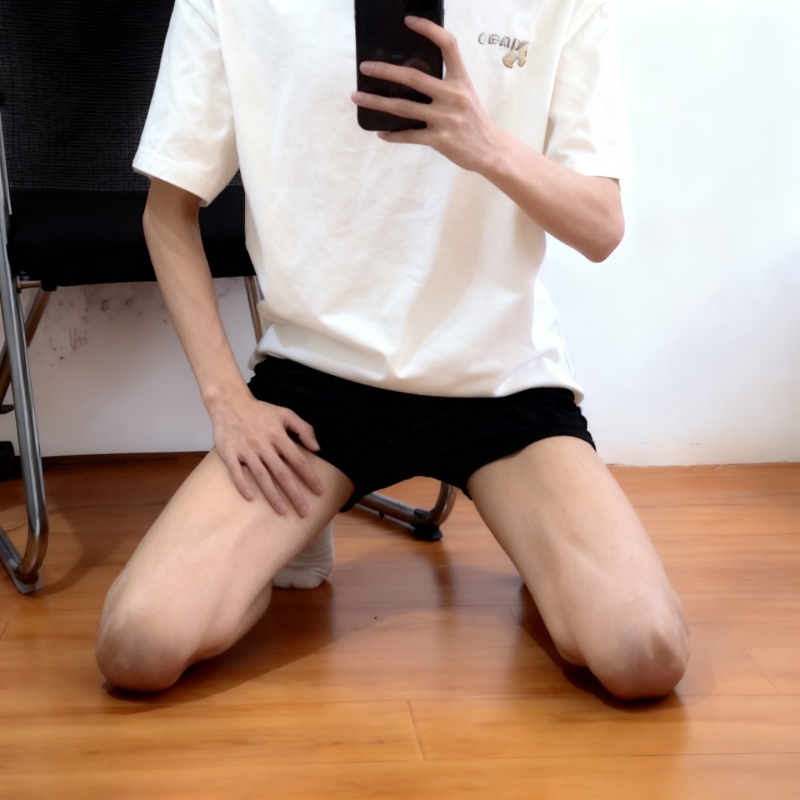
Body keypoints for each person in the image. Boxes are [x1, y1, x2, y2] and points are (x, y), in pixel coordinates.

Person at [95, 0, 690, 699]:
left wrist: (485, 144)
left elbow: (601, 228)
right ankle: (277, 545)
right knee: (137, 646)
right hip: (314, 390)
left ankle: (551, 561)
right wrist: (228, 402)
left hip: (501, 385)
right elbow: (167, 214)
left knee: (645, 656)